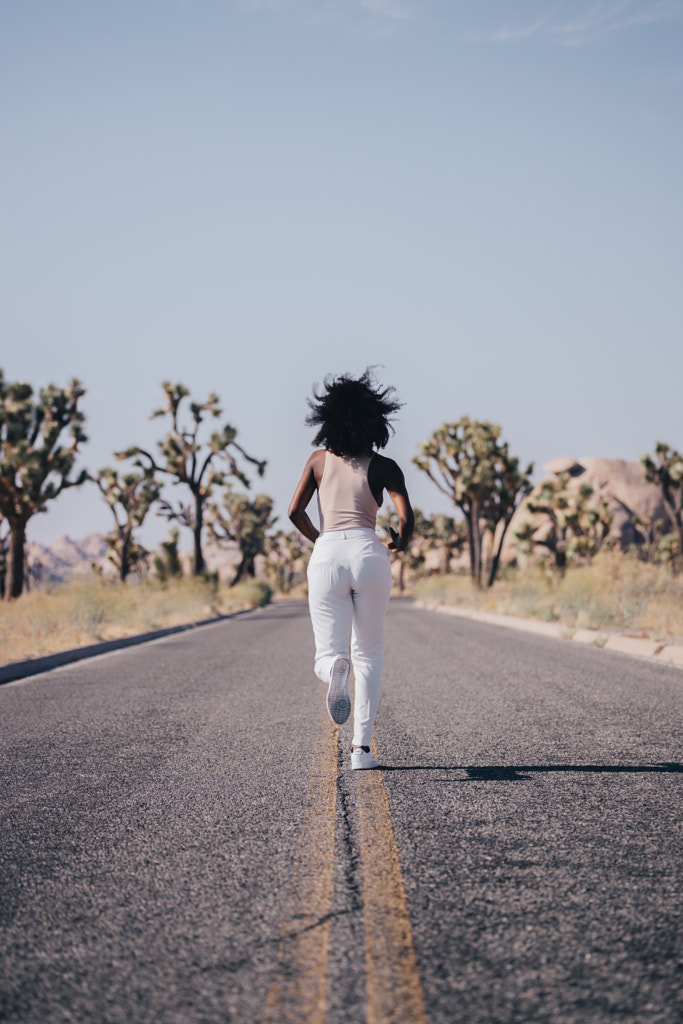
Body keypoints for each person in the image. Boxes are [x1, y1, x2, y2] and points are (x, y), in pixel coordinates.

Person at [288, 369, 415, 770]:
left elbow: (295, 512)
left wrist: (321, 541)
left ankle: (332, 669)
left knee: (328, 652)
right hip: (368, 552)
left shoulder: (317, 461)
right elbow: (406, 517)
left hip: (327, 554)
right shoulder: (384, 466)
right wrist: (399, 542)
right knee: (369, 654)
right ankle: (361, 751)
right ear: (376, 420)